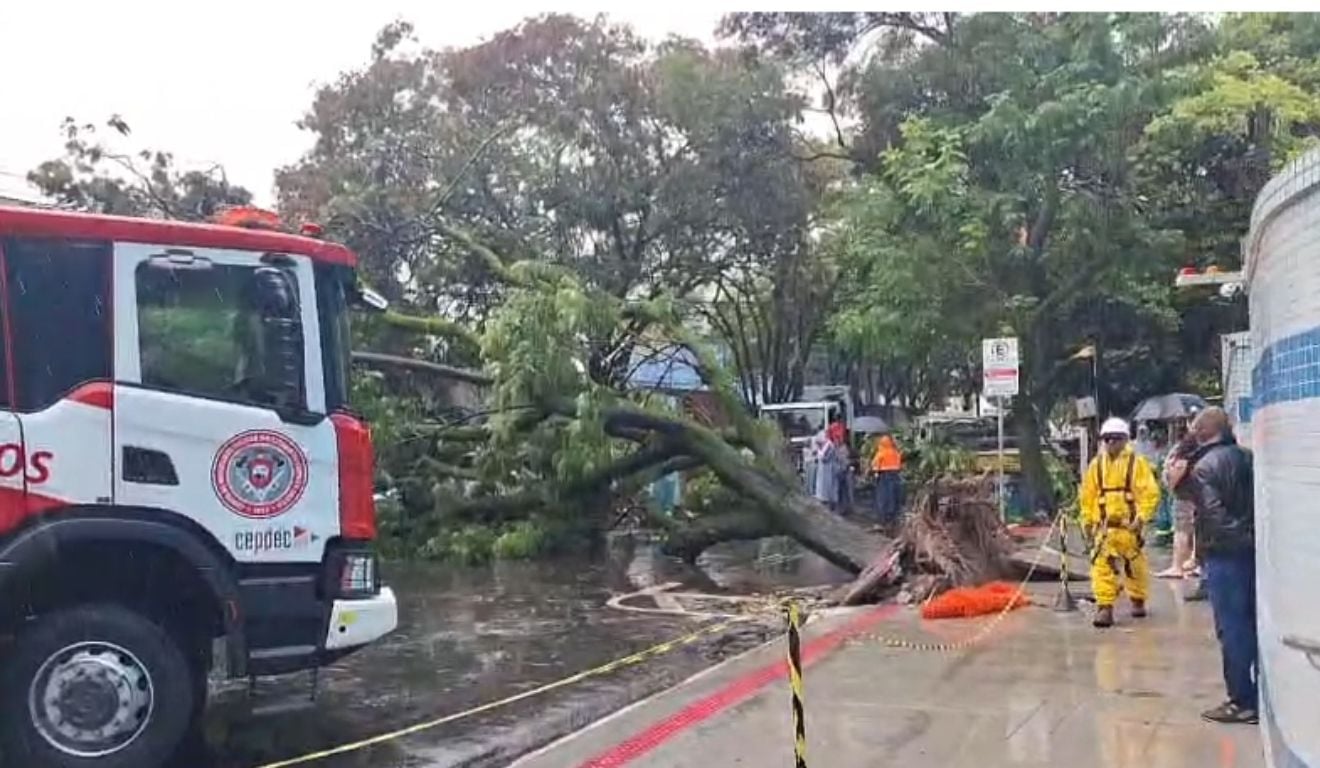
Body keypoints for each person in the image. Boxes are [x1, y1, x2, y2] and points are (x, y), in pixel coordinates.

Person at [1186, 407, 1257, 724]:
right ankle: (1250, 695)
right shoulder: (1246, 457)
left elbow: (1214, 517)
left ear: (1201, 433)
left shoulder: (1204, 467)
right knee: (1247, 623)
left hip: (1226, 556)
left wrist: (1236, 540)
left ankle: (1241, 700)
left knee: (1231, 629)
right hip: (1250, 554)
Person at [1079, 417, 1161, 628]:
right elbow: (1088, 496)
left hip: (1129, 528)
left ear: (1125, 439)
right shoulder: (1096, 466)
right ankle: (1105, 607)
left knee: (1134, 566)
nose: (1110, 443)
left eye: (1115, 438)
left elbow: (1149, 493)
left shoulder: (1137, 464)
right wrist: (1087, 521)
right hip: (1104, 528)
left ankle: (1137, 599)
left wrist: (1141, 518)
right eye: (1106, 439)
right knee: (1100, 567)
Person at [870, 432, 903, 524]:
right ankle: (893, 515)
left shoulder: (881, 452)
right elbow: (899, 464)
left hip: (883, 476)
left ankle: (883, 517)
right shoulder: (895, 452)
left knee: (883, 496)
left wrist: (875, 473)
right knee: (893, 495)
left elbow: (874, 464)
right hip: (895, 475)